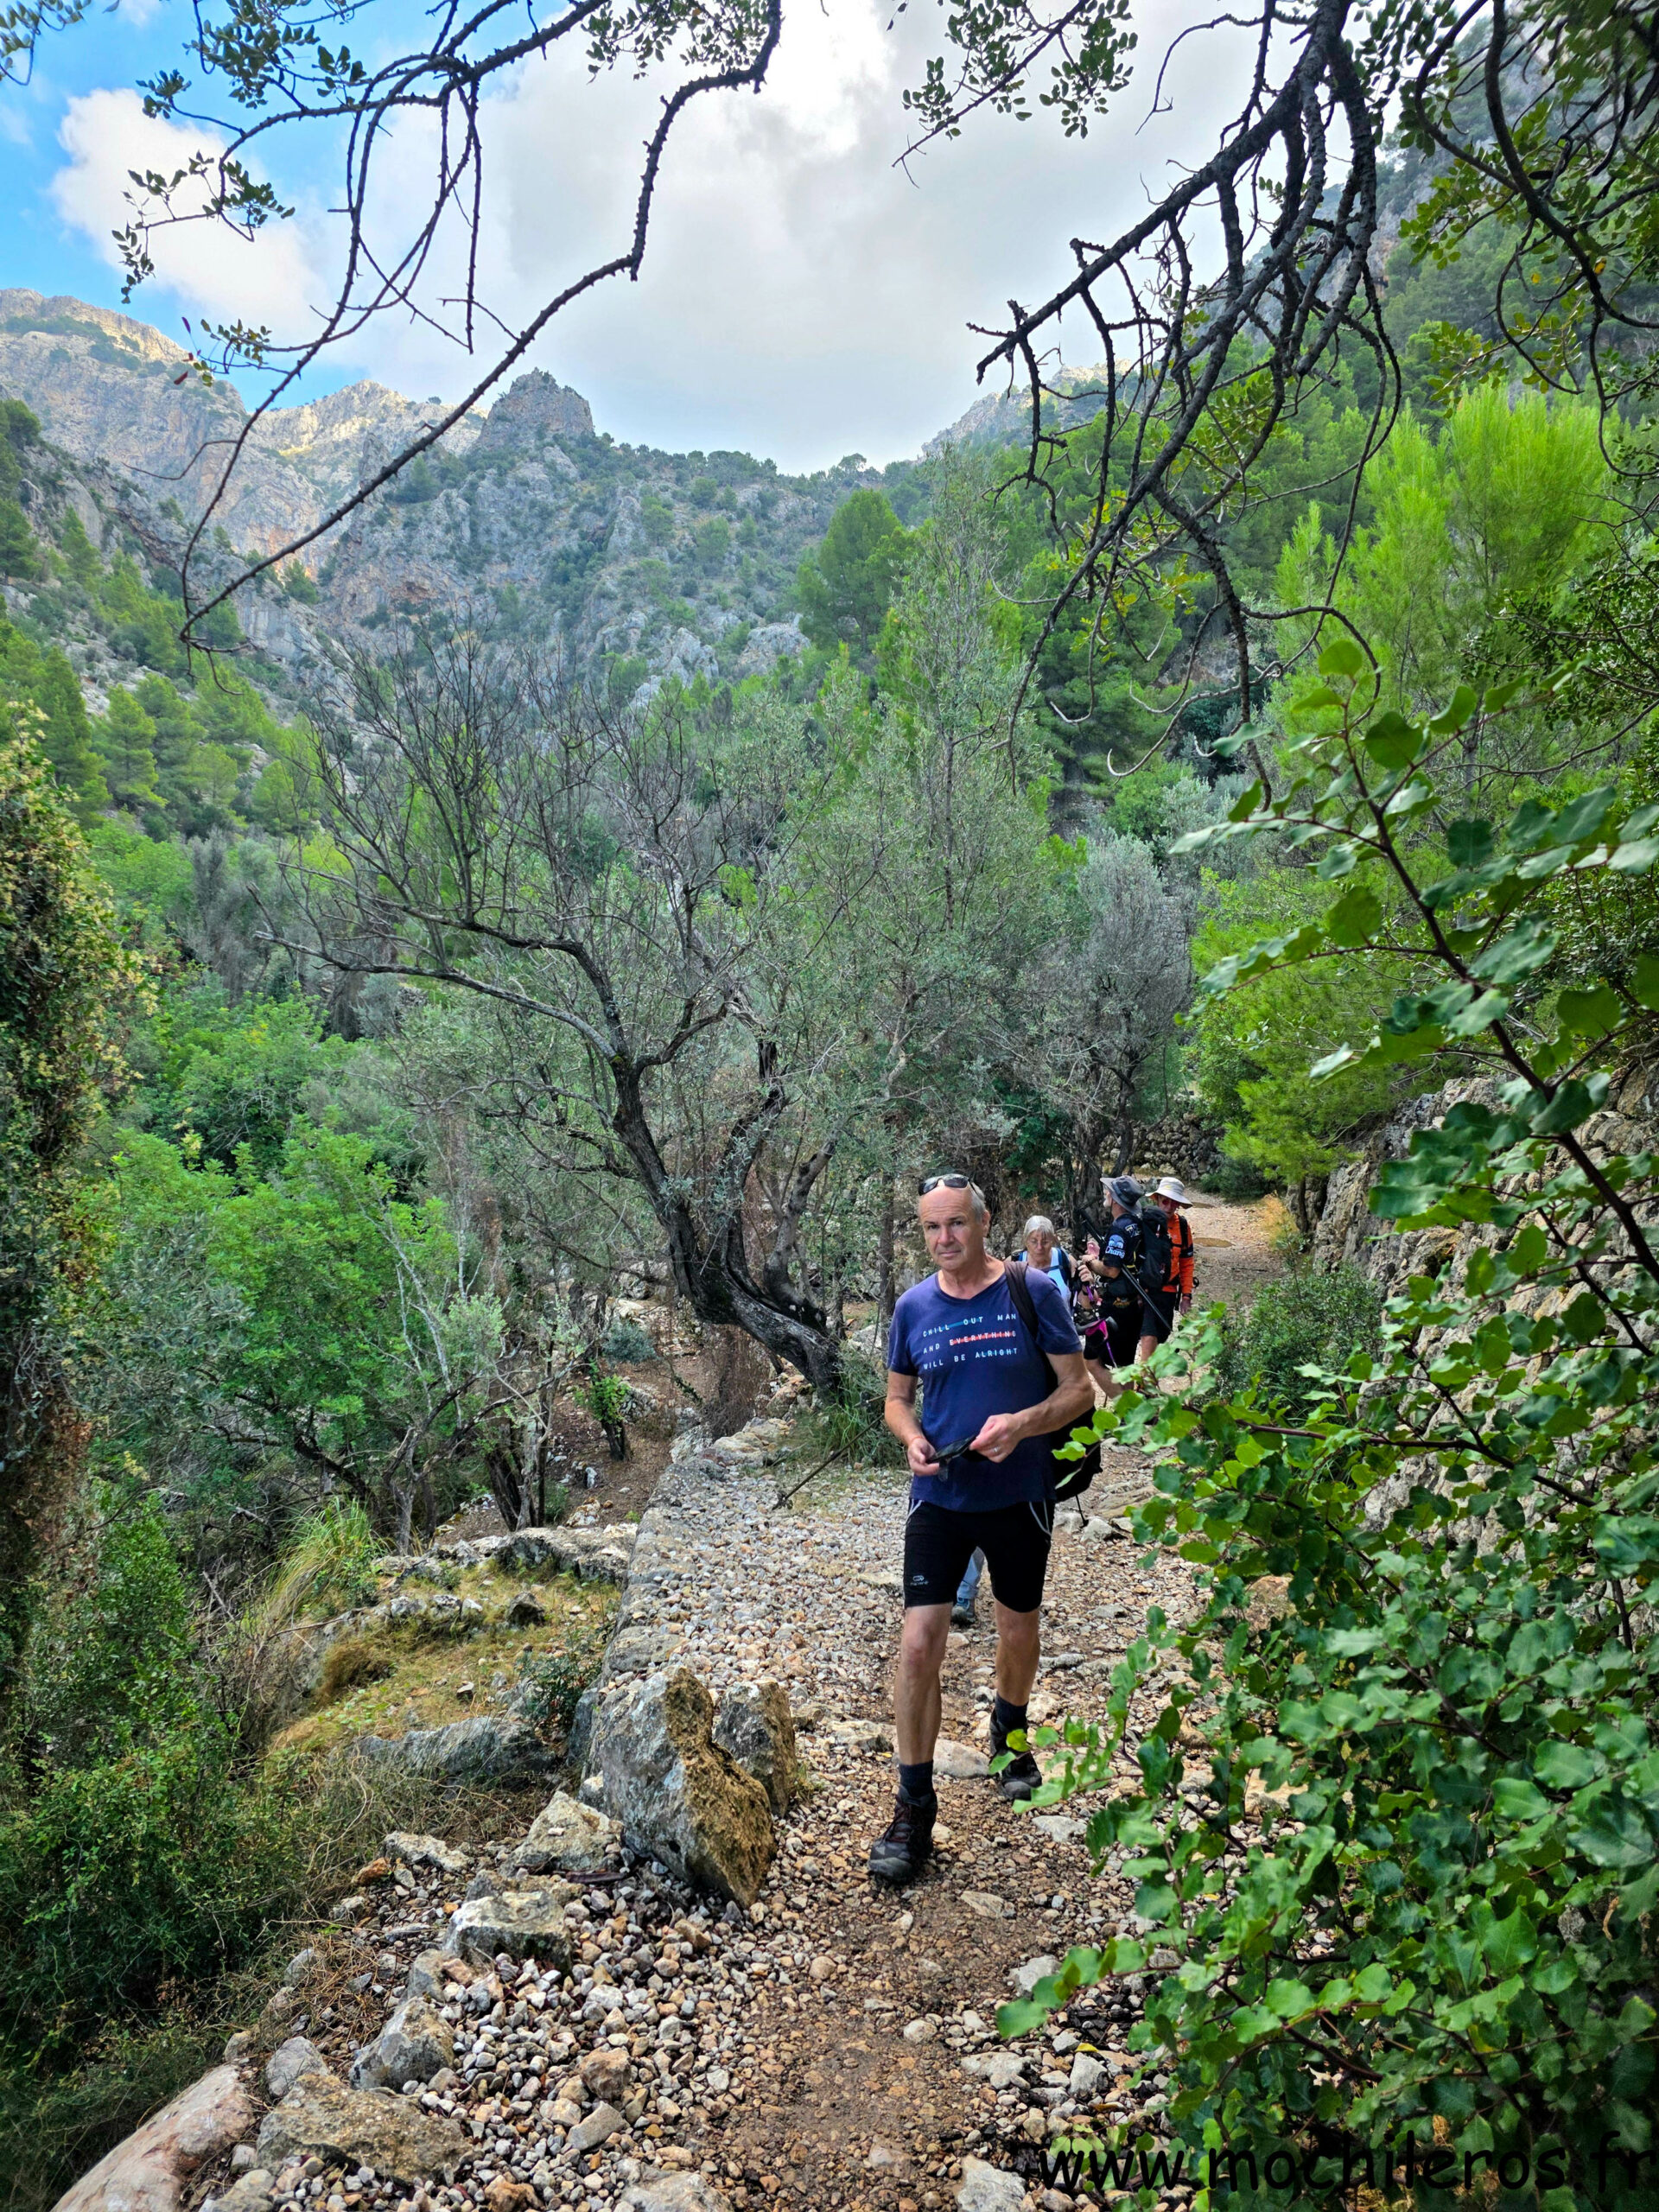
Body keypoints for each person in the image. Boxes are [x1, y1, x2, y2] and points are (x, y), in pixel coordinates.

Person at [870, 1173, 1093, 1884]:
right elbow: (897, 1399)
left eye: (957, 1224)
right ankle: (913, 1806)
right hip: (940, 1494)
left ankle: (1011, 1733)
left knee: (1017, 1629)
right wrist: (911, 1437)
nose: (945, 1239)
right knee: (917, 1644)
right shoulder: (913, 1306)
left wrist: (1022, 1425)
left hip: (1020, 1492)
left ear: (984, 1220)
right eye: (932, 1227)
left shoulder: (1034, 1291)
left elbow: (1078, 1389)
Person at [1076, 1176, 1147, 1395]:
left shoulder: (1119, 1229)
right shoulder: (1136, 1223)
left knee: (1091, 1360)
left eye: (1109, 1191)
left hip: (1116, 1307)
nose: (1106, 1193)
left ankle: (1127, 1408)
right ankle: (1131, 1412)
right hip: (1134, 1303)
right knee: (1125, 1365)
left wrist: (1090, 1261)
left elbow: (1111, 1270)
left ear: (1115, 1199)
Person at [1137, 1176, 1197, 1359]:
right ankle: (1144, 1377)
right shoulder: (1144, 1222)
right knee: (1148, 1338)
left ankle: (1149, 1374)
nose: (1169, 1206)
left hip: (1168, 1294)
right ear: (1157, 1199)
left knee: (1160, 1340)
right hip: (1145, 1291)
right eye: (1165, 1201)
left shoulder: (1183, 1227)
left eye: (1174, 1203)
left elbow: (1187, 1263)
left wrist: (1186, 1296)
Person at [1018, 1217, 1077, 1302]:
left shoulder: (1065, 1261)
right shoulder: (1014, 1263)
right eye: (1034, 1241)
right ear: (1026, 1241)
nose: (1039, 1247)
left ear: (1052, 1240)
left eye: (1045, 1242)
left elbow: (1086, 1303)